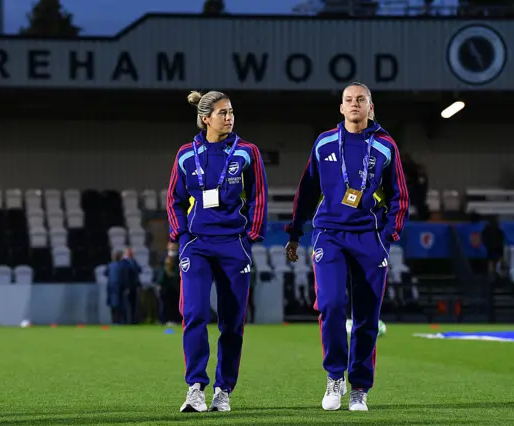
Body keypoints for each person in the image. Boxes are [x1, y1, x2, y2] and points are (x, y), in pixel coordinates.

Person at [284, 82, 409, 412]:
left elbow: (400, 195)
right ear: (341, 108)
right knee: (331, 304)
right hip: (330, 234)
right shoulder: (324, 142)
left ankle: (360, 388)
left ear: (371, 107)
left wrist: (388, 235)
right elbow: (307, 190)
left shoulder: (385, 146)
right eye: (349, 100)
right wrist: (295, 231)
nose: (354, 104)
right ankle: (334, 376)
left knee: (367, 316)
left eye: (361, 100)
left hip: (369, 238)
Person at [167, 90, 268, 413]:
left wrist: (250, 235)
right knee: (194, 314)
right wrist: (182, 236)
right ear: (205, 118)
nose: (229, 117)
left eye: (231, 111)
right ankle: (195, 387)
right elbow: (174, 200)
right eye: (223, 113)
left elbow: (259, 197)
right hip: (197, 245)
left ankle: (224, 390)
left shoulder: (247, 152)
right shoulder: (185, 154)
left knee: (232, 323)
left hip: (233, 245)